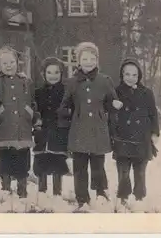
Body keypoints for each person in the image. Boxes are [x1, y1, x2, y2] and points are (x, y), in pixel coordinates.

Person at [58, 42, 121, 210]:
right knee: (79, 167)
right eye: (84, 58)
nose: (88, 61)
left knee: (98, 166)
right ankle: (82, 199)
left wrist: (114, 105)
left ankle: (101, 193)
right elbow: (64, 106)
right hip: (78, 130)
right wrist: (69, 114)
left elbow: (111, 104)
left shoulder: (105, 80)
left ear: (97, 60)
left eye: (92, 58)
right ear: (78, 61)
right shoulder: (71, 83)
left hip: (98, 131)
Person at [111, 57, 160, 207]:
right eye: (127, 74)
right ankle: (123, 198)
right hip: (122, 139)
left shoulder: (147, 93)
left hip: (142, 139)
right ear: (122, 75)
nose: (131, 78)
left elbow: (153, 114)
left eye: (134, 75)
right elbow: (110, 115)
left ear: (139, 76)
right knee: (123, 173)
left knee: (140, 172)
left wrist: (155, 133)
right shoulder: (115, 92)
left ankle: (140, 199)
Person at [0, 46, 37, 198]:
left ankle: (22, 190)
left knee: (23, 162)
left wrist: (31, 113)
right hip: (3, 129)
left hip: (23, 129)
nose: (9, 65)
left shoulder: (26, 81)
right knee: (4, 162)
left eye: (12, 62)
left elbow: (33, 101)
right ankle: (6, 188)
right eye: (4, 63)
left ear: (17, 63)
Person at [33, 57, 70, 198]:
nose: (53, 75)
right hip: (42, 133)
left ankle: (57, 193)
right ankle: (42, 192)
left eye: (56, 72)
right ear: (44, 74)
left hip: (59, 133)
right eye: (49, 72)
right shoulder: (38, 92)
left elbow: (69, 110)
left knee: (57, 162)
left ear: (61, 74)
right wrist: (36, 120)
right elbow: (34, 110)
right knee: (41, 161)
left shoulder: (66, 93)